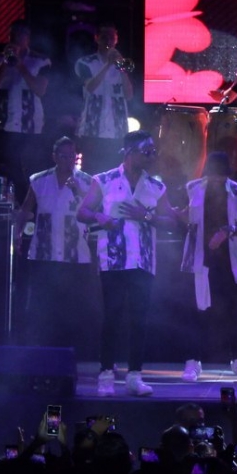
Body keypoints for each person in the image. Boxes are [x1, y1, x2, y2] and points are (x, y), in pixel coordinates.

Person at [78, 131, 175, 397]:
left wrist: (148, 216)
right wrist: (101, 217)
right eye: (147, 151)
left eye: (153, 151)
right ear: (130, 152)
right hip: (113, 260)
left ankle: (135, 375)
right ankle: (106, 374)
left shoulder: (156, 186)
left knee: (139, 320)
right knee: (112, 318)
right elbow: (82, 212)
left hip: (143, 262)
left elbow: (172, 221)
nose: (152, 156)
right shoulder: (105, 180)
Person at [178, 151, 237, 383]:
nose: (216, 181)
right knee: (196, 312)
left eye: (220, 178)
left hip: (230, 262)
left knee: (235, 312)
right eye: (213, 176)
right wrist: (178, 217)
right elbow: (185, 215)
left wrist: (227, 231)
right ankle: (193, 362)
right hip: (200, 260)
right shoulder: (191, 189)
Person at [14, 136, 95, 349]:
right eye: (63, 155)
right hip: (44, 252)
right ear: (54, 157)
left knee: (72, 307)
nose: (68, 160)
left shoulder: (87, 181)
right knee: (43, 305)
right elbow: (26, 209)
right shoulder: (39, 180)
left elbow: (97, 212)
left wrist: (78, 191)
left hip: (75, 254)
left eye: (72, 156)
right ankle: (41, 350)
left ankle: (71, 353)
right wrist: (18, 234)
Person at [0, 20, 50, 198]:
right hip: (1, 125)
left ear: (27, 38)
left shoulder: (41, 60)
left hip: (29, 126)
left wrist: (20, 64)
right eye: (12, 35)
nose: (16, 39)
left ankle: (28, 211)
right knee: (2, 169)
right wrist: (6, 62)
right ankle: (3, 211)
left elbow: (40, 89)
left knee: (28, 171)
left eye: (20, 35)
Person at [75, 22, 135, 172]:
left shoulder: (122, 65)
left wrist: (121, 69)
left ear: (117, 39)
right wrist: (108, 64)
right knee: (91, 173)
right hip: (92, 130)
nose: (108, 41)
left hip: (117, 131)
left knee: (115, 175)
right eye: (104, 37)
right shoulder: (85, 63)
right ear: (96, 38)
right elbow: (90, 87)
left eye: (112, 37)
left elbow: (129, 95)